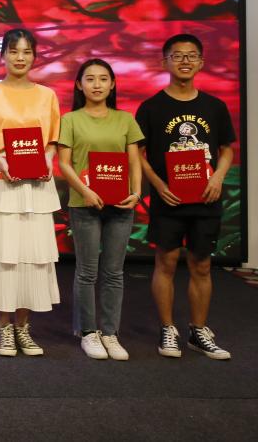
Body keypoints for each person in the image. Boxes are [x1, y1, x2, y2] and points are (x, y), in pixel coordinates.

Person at [136, 34, 235, 360]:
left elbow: (226, 149)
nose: (185, 61)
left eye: (191, 56)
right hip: (169, 200)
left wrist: (218, 177)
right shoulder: (151, 107)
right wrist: (157, 184)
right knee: (166, 262)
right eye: (177, 56)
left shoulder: (214, 106)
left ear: (201, 62)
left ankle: (198, 330)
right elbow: (138, 153)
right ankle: (167, 328)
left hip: (206, 198)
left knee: (202, 265)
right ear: (164, 62)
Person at [0, 28, 60, 357]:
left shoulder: (47, 95)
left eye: (26, 52)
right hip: (2, 182)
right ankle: (4, 328)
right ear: (2, 55)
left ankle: (24, 327)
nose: (20, 58)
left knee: (32, 257)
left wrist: (48, 159)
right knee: (5, 256)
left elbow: (52, 141)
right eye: (14, 51)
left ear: (35, 56)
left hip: (36, 185)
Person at [57, 58, 143, 360]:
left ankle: (110, 333)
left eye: (103, 79)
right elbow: (64, 164)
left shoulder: (126, 119)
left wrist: (136, 192)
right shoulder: (70, 120)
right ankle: (88, 332)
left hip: (121, 204)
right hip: (84, 204)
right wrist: (86, 191)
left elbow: (134, 161)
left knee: (114, 272)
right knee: (87, 272)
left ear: (112, 84)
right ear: (79, 85)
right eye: (90, 79)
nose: (97, 84)